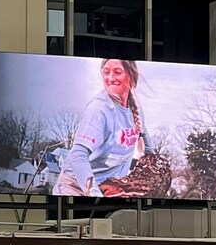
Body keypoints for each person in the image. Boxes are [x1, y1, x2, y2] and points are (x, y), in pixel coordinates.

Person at [53, 58, 151, 196]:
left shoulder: (136, 109)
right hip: (76, 186)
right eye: (106, 72)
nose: (110, 78)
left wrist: (152, 160)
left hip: (109, 186)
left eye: (117, 72)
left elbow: (144, 134)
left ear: (131, 75)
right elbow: (77, 155)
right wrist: (95, 194)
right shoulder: (99, 110)